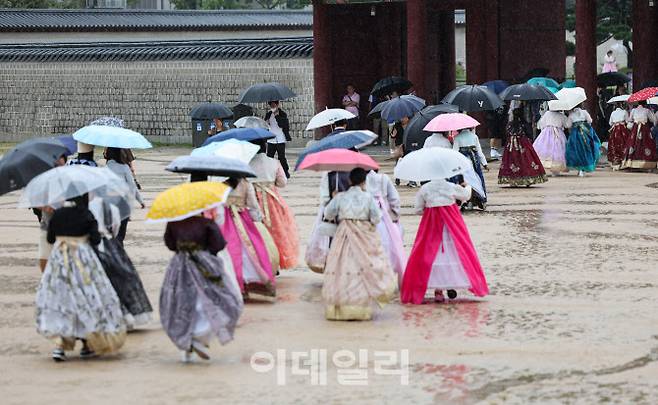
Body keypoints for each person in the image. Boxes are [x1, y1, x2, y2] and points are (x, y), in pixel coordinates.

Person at [36, 194, 126, 362]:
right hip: (83, 259)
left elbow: (50, 238)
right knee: (87, 298)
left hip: (60, 258)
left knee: (62, 298)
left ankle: (60, 346)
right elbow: (96, 240)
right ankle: (86, 343)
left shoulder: (58, 214)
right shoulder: (86, 214)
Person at [160, 215, 243, 362]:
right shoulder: (206, 223)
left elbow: (170, 244)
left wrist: (183, 247)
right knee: (210, 300)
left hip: (180, 265)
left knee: (181, 301)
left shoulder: (173, 222)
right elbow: (219, 245)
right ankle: (198, 338)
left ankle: (189, 338)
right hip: (205, 264)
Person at [322, 168, 397, 321]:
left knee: (342, 267)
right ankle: (360, 308)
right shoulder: (368, 198)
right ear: (364, 181)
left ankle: (342, 307)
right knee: (363, 267)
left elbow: (328, 214)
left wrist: (334, 198)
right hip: (364, 235)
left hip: (344, 234)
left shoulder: (341, 197)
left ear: (350, 181)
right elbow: (376, 218)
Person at [401, 179, 489, 304]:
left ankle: (438, 291)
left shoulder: (425, 189)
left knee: (432, 255)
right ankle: (450, 284)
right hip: (451, 225)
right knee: (454, 252)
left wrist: (429, 209)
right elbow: (466, 195)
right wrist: (467, 185)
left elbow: (418, 209)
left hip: (431, 225)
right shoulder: (450, 186)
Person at [89, 197, 153, 330]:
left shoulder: (87, 208)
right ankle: (127, 313)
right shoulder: (112, 208)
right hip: (110, 244)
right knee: (121, 276)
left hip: (93, 245)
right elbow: (116, 228)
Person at [249, 140, 300, 270]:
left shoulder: (246, 163)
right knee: (275, 232)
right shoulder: (273, 162)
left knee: (255, 233)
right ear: (265, 147)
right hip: (271, 202)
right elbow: (282, 182)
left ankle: (258, 262)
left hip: (252, 200)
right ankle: (274, 263)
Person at [222, 177, 276, 298]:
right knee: (248, 252)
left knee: (228, 252)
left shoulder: (217, 183)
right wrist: (258, 220)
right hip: (242, 220)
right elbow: (253, 206)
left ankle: (231, 284)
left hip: (224, 221)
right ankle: (245, 283)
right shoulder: (246, 183)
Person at [366, 169, 406, 284]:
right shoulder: (383, 178)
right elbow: (395, 199)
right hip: (385, 218)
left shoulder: (359, 181)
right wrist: (395, 213)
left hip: (368, 220)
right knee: (389, 247)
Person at [104, 147, 145, 244]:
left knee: (110, 234)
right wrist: (141, 201)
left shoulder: (105, 169)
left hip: (109, 205)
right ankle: (119, 248)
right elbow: (132, 187)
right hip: (123, 205)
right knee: (120, 235)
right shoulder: (124, 168)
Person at [35, 153, 68, 272]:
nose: (58, 166)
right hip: (47, 226)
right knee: (44, 261)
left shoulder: (70, 180)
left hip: (67, 230)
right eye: (55, 164)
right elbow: (34, 200)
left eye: (60, 164)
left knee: (65, 264)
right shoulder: (44, 180)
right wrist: (44, 207)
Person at [498, 108, 547, 187]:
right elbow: (529, 134)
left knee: (511, 160)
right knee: (526, 160)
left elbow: (506, 133)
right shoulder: (524, 124)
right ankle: (527, 179)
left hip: (511, 145)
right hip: (523, 143)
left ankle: (512, 180)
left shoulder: (510, 124)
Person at [452, 128, 488, 210]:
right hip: (474, 162)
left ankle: (464, 201)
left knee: (463, 181)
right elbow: (479, 151)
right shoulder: (474, 136)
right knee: (476, 181)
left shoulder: (457, 138)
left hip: (462, 162)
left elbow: (454, 152)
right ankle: (479, 200)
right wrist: (485, 163)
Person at [565, 105, 602, 176]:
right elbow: (590, 120)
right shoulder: (584, 112)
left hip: (575, 134)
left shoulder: (571, 114)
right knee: (587, 148)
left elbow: (568, 125)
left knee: (576, 150)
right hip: (585, 131)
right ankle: (585, 166)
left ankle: (580, 168)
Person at [622, 101, 658, 170]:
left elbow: (630, 119)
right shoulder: (647, 110)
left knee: (633, 143)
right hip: (644, 128)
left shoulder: (633, 110)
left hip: (635, 128)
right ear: (645, 104)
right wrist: (652, 113)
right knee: (646, 143)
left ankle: (631, 161)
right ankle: (645, 162)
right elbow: (652, 120)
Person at [533, 109, 569, 176]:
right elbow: (567, 125)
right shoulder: (561, 115)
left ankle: (547, 166)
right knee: (557, 150)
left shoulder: (547, 114)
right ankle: (556, 170)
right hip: (558, 132)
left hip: (546, 132)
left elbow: (541, 123)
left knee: (546, 148)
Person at [264, 100, 291, 178]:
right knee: (269, 156)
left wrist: (277, 116)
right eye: (271, 105)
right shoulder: (268, 114)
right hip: (271, 138)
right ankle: (270, 172)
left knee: (281, 157)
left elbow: (282, 125)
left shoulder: (283, 114)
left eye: (274, 105)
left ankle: (285, 171)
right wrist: (267, 122)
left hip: (280, 138)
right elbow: (265, 125)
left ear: (277, 104)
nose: (272, 107)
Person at [607, 102, 631, 170]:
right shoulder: (624, 112)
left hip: (615, 130)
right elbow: (627, 121)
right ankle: (623, 162)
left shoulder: (613, 113)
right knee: (624, 144)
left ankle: (615, 162)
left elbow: (610, 123)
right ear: (621, 105)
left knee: (613, 145)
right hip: (622, 129)